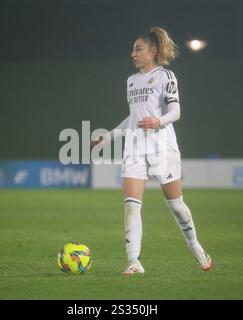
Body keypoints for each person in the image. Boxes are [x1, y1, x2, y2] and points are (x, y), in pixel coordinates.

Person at [92, 27, 211, 275]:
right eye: (133, 49)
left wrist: (159, 121)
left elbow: (176, 112)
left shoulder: (165, 76)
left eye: (138, 49)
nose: (132, 54)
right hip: (134, 148)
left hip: (162, 147)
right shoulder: (131, 80)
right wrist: (108, 136)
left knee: (176, 205)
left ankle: (194, 243)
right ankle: (134, 261)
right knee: (131, 205)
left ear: (153, 51)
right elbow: (133, 118)